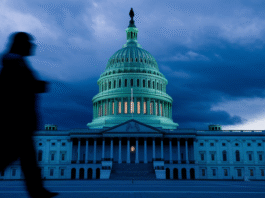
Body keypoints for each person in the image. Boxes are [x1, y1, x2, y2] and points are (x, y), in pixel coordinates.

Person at [0, 32, 58, 198]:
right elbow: (16, 88)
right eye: (29, 43)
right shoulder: (14, 63)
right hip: (17, 120)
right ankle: (37, 191)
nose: (33, 46)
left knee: (26, 158)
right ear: (21, 45)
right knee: (17, 156)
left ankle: (37, 191)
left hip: (20, 121)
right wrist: (38, 85)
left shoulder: (16, 62)